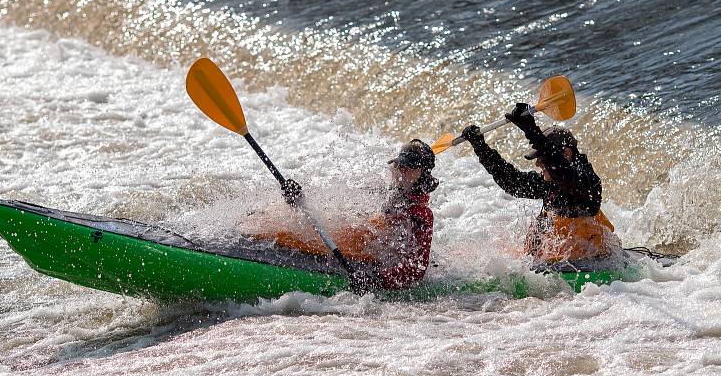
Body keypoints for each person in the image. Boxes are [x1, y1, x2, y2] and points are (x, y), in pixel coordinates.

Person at [252, 139, 439, 290]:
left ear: (422, 176)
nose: (401, 171)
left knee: (300, 237)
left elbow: (416, 270)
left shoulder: (421, 215)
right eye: (399, 165)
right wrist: (302, 201)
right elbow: (339, 210)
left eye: (409, 168)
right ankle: (295, 202)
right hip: (355, 245)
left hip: (368, 264)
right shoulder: (384, 193)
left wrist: (376, 280)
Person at [461, 103, 619, 266]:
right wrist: (480, 146)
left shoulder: (586, 182)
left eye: (541, 157)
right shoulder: (549, 183)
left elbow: (562, 171)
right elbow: (513, 182)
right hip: (559, 262)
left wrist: (531, 131)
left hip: (595, 263)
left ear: (566, 154)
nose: (537, 163)